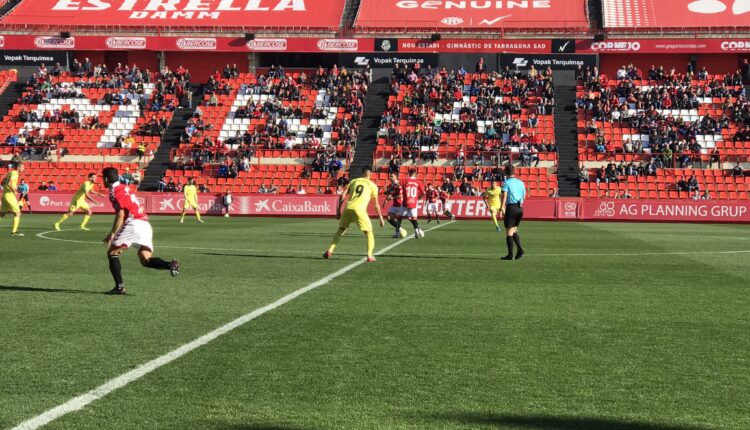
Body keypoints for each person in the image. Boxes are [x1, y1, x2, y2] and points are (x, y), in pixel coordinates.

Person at [102, 167, 180, 295]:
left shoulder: (114, 190)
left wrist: (112, 233)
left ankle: (120, 287)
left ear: (105, 179)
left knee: (112, 253)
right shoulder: (125, 187)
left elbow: (121, 214)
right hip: (145, 224)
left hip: (134, 224)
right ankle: (170, 265)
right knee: (145, 260)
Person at [323, 166, 384, 262]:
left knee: (341, 230)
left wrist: (338, 210)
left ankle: (330, 250)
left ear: (362, 173)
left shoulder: (354, 181)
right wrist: (381, 217)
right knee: (369, 233)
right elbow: (376, 205)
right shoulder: (373, 186)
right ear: (370, 174)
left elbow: (342, 195)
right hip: (359, 210)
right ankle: (369, 255)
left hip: (348, 208)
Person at [500, 165, 526, 261]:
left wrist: (502, 207)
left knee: (509, 231)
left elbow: (504, 195)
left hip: (511, 207)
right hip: (520, 208)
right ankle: (520, 250)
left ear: (506, 173)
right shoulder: (521, 182)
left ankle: (510, 255)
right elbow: (524, 195)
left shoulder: (506, 183)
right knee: (514, 230)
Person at [398, 167, 425, 239]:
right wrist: (418, 197)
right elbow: (423, 192)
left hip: (405, 202)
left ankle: (397, 231)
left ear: (409, 173)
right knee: (414, 218)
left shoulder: (404, 180)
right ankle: (416, 231)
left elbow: (398, 186)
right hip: (413, 202)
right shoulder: (418, 182)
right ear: (415, 174)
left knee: (400, 217)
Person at [1, 162, 25, 236]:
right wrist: (14, 190)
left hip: (4, 194)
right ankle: (14, 232)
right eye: (22, 167)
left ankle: (14, 232)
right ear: (18, 167)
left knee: (2, 214)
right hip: (10, 196)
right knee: (17, 213)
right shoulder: (15, 174)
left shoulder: (10, 172)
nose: (23, 169)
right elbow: (9, 183)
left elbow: (2, 182)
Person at [382, 172, 408, 238]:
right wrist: (385, 201)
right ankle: (400, 229)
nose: (390, 177)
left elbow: (401, 195)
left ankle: (397, 232)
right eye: (390, 176)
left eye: (391, 176)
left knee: (399, 219)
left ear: (396, 177)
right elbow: (388, 193)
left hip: (400, 205)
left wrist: (392, 198)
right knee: (388, 218)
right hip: (394, 205)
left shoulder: (399, 185)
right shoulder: (391, 185)